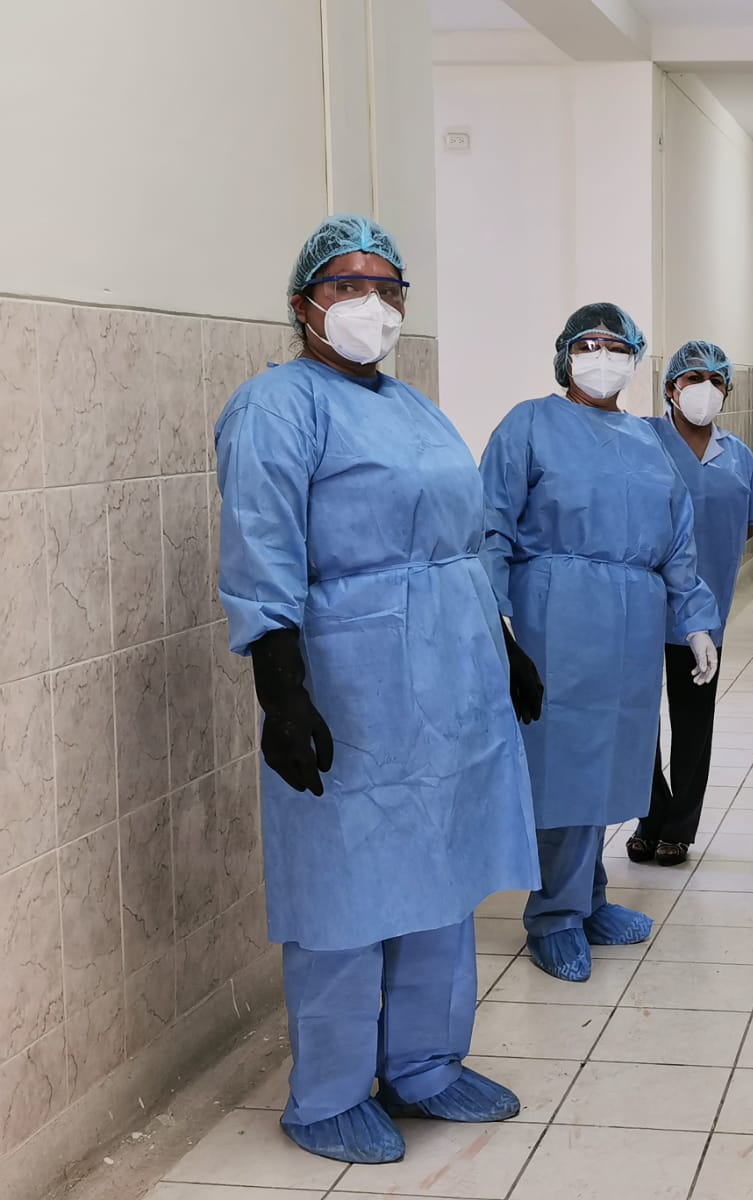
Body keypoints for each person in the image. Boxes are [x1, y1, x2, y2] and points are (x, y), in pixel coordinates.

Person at [215, 215, 542, 1165]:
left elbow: (463, 541)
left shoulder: (414, 408)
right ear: (303, 304)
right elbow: (262, 552)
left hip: (451, 677)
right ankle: (325, 1095)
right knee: (347, 887)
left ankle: (424, 1066)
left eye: (389, 288)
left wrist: (504, 643)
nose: (373, 305)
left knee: (441, 871)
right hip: (351, 681)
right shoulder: (277, 408)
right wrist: (282, 691)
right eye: (348, 286)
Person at [480, 303, 720, 983]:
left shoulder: (647, 441)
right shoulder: (529, 425)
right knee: (563, 767)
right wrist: (494, 621)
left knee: (612, 762)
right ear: (565, 356)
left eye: (617, 347)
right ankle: (553, 917)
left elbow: (677, 541)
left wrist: (695, 619)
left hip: (631, 628)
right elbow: (489, 527)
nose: (603, 357)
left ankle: (589, 898)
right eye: (589, 344)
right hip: (555, 618)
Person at [626, 341, 753, 867]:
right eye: (692, 378)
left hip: (705, 614)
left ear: (727, 390)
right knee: (638, 719)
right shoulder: (643, 441)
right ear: (670, 388)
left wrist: (711, 558)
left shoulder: (738, 456)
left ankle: (679, 827)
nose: (704, 388)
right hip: (641, 606)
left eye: (715, 379)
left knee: (693, 722)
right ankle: (649, 815)